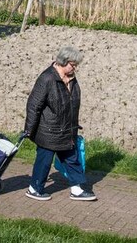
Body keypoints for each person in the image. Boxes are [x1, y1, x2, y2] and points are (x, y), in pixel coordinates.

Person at [21, 45, 96, 201]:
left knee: (72, 159)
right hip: (49, 131)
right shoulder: (47, 79)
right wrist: (29, 129)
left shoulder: (72, 80)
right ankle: (34, 188)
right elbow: (34, 105)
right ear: (63, 61)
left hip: (67, 130)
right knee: (44, 162)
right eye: (73, 65)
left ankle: (77, 189)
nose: (75, 68)